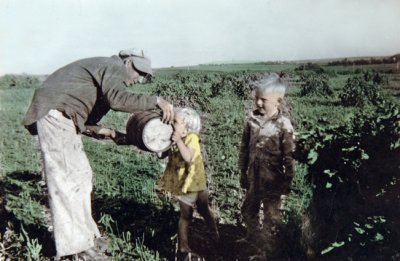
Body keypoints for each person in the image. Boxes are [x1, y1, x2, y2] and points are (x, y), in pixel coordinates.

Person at [22, 49, 174, 260]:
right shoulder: (113, 66)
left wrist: (112, 134)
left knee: (82, 176)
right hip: (55, 114)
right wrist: (156, 101)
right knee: (67, 179)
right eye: (139, 73)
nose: (139, 80)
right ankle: (75, 248)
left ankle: (87, 237)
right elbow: (118, 100)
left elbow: (87, 123)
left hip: (65, 117)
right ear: (128, 62)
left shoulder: (103, 76)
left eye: (144, 77)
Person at [238, 73, 295, 259]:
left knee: (271, 216)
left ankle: (266, 250)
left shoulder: (283, 125)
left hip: (273, 179)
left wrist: (288, 178)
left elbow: (289, 155)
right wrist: (242, 171)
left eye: (263, 100)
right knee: (248, 209)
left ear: (278, 101)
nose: (258, 104)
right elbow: (244, 148)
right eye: (256, 99)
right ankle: (252, 237)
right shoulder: (251, 121)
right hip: (254, 176)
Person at [155, 107, 219, 260]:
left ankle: (214, 231)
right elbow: (161, 153)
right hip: (186, 184)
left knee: (203, 209)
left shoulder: (191, 138)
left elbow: (188, 157)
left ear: (187, 127)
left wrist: (177, 141)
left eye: (175, 122)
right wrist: (160, 142)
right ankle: (183, 246)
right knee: (186, 215)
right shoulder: (175, 137)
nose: (171, 124)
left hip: (194, 180)